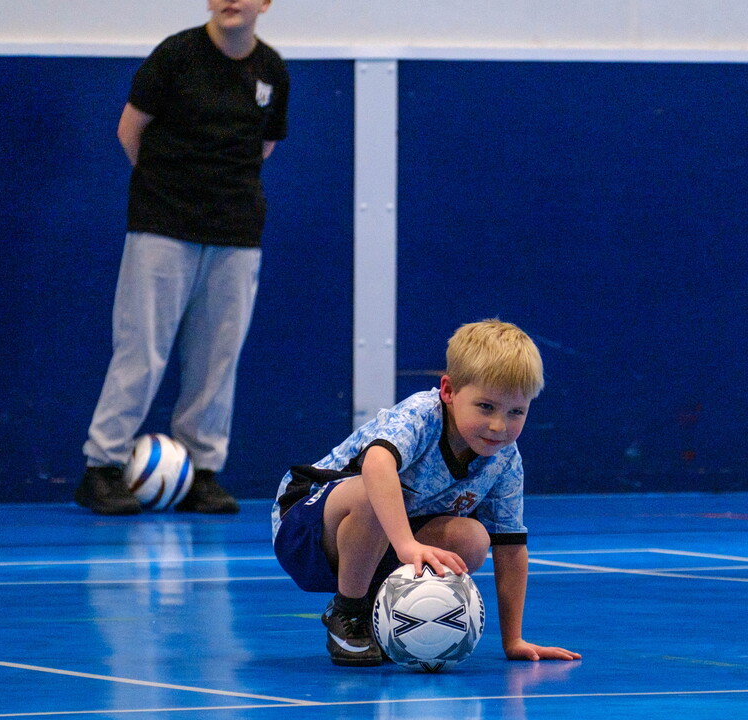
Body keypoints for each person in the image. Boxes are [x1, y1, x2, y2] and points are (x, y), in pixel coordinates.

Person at [76, 0, 289, 516]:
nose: (231, 1)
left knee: (218, 356)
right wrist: (169, 189)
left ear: (264, 4)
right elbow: (131, 132)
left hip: (236, 233)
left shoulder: (272, 71)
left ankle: (202, 472)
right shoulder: (175, 56)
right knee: (141, 348)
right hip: (163, 226)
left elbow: (262, 146)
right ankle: (102, 467)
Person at [271, 320, 582, 666]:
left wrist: (513, 639)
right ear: (448, 391)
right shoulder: (421, 415)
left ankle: (376, 603)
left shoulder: (505, 460)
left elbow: (510, 548)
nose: (499, 426)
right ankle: (349, 614)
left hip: (379, 542)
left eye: (516, 412)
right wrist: (406, 544)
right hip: (307, 530)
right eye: (486, 407)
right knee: (374, 491)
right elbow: (375, 464)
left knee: (473, 539)